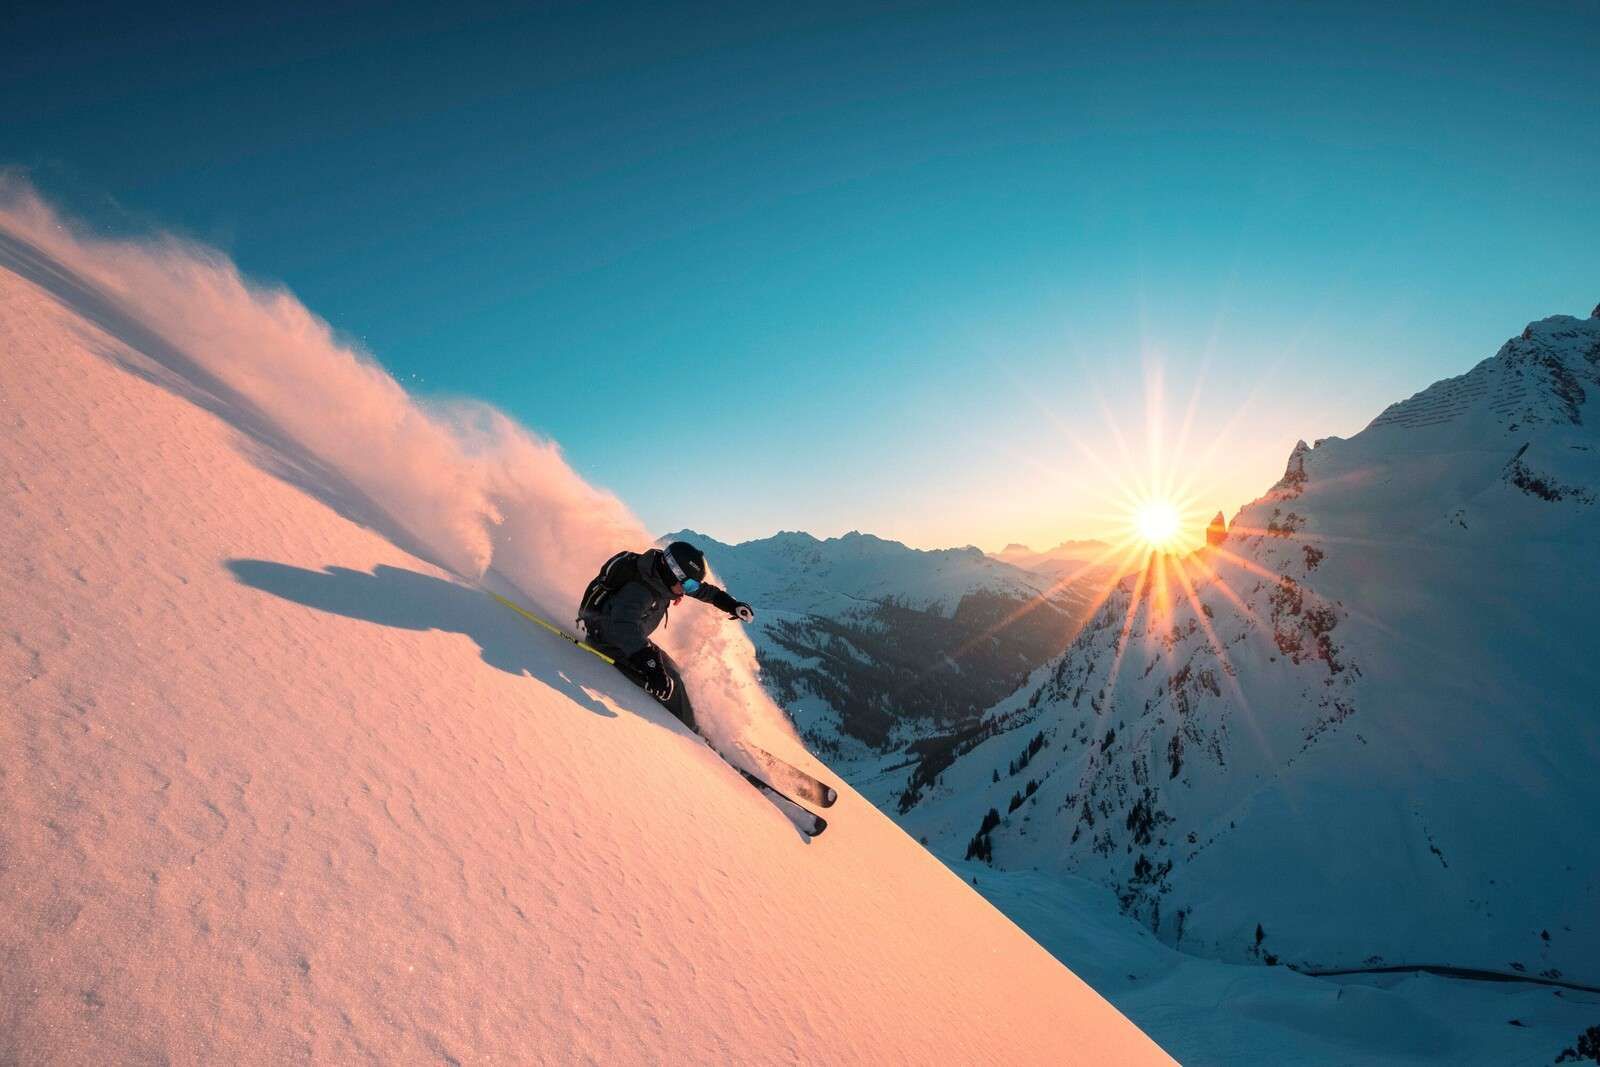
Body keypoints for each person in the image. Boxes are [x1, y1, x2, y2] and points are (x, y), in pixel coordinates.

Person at [576, 540, 754, 734]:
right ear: (673, 572)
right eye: (687, 584)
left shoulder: (660, 578)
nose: (688, 590)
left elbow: (703, 591)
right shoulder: (641, 590)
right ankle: (690, 735)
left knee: (674, 674)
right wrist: (651, 665)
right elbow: (623, 625)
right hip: (610, 642)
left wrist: (730, 604)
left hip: (630, 641)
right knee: (671, 683)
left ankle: (690, 724)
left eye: (692, 584)